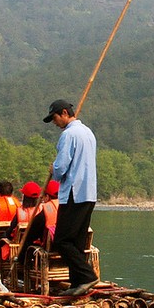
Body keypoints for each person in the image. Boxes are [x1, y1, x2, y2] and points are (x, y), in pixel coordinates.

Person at [43, 99, 99, 296]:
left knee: (62, 241)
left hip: (74, 194)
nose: (55, 123)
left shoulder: (69, 135)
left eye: (55, 118)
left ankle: (88, 276)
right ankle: (78, 283)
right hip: (89, 193)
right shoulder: (88, 133)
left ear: (64, 113)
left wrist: (53, 169)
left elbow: (61, 167)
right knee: (77, 241)